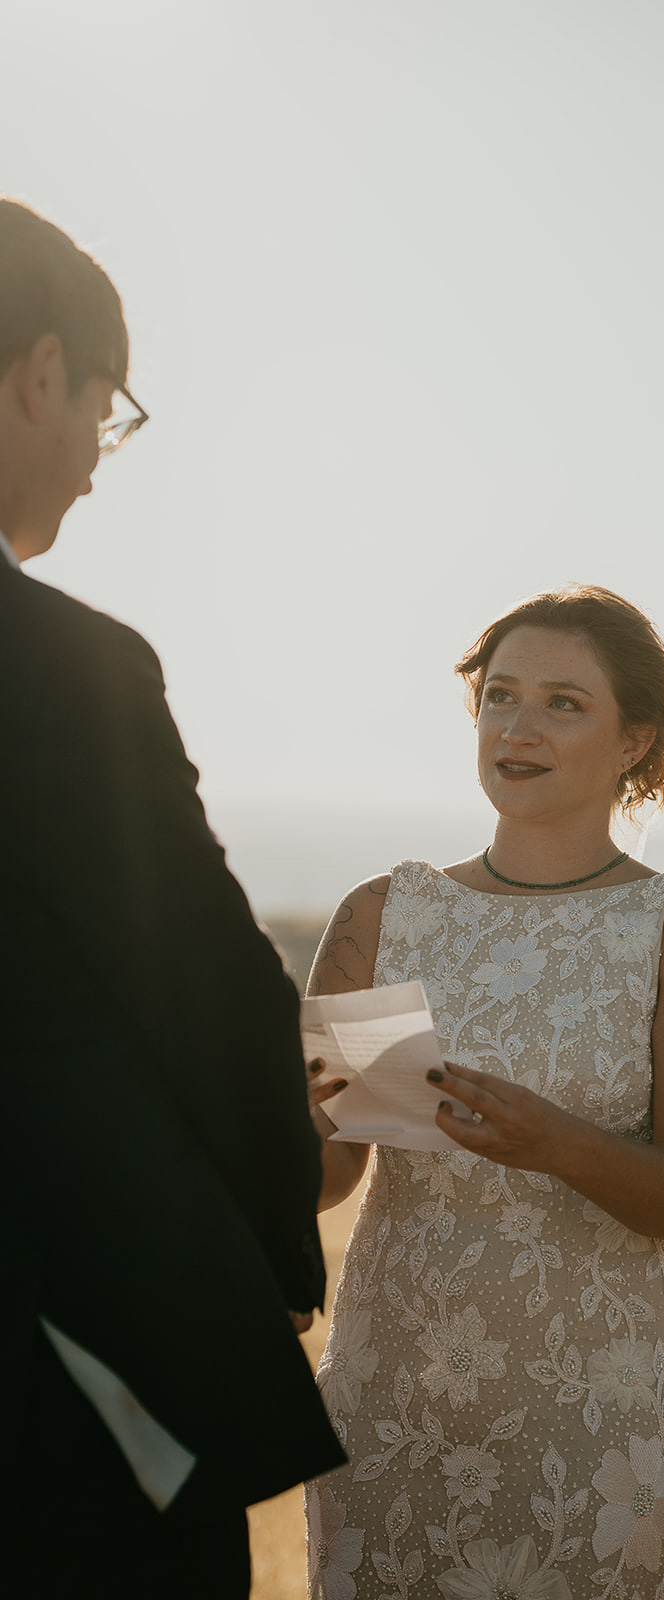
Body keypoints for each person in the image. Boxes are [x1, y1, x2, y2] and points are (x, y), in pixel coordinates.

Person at [0, 198, 344, 1598]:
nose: (95, 458)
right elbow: (196, 971)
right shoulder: (64, 672)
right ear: (37, 375)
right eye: (105, 408)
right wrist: (296, 1160)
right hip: (61, 1356)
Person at [304, 585, 664, 1600]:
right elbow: (335, 1166)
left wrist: (563, 1144)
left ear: (634, 737)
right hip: (394, 1391)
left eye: (563, 702)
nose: (516, 726)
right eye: (500, 695)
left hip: (592, 1414)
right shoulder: (391, 916)